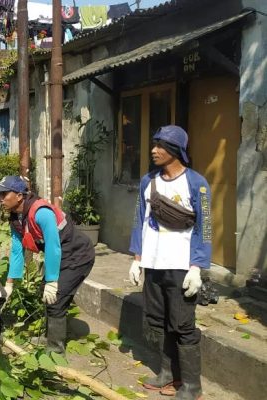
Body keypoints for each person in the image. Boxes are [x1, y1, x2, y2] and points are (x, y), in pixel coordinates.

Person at [128, 125, 211, 400]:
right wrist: (137, 259)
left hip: (181, 267)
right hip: (153, 265)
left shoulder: (196, 183)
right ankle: (167, 374)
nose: (154, 150)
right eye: (154, 144)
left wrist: (198, 266)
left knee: (183, 325)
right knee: (159, 320)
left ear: (176, 151)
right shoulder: (147, 181)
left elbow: (206, 226)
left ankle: (192, 386)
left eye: (160, 145)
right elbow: (140, 219)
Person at [0, 176, 95, 354]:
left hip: (78, 255)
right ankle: (50, 337)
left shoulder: (41, 212)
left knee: (56, 297)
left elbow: (54, 247)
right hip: (61, 255)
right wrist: (9, 283)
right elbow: (17, 251)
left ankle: (55, 350)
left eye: (4, 194)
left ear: (19, 195)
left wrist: (53, 281)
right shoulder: (16, 217)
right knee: (45, 293)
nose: (1, 199)